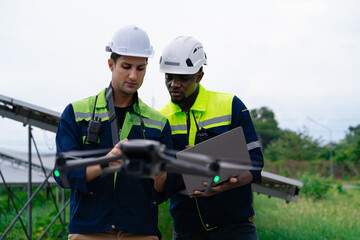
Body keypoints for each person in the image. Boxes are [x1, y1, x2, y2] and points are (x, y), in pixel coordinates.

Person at [54, 25, 173, 240]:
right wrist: (105, 163)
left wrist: (160, 176)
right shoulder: (76, 113)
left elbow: (166, 188)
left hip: (140, 232)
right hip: (89, 231)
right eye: (126, 66)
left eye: (141, 68)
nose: (133, 75)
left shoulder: (158, 123)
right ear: (111, 64)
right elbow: (62, 174)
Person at [158, 36, 264, 240]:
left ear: (199, 76)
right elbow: (159, 180)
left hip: (236, 226)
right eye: (169, 77)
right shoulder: (160, 119)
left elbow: (256, 162)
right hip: (187, 228)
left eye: (183, 78)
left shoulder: (231, 105)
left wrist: (229, 183)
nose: (174, 84)